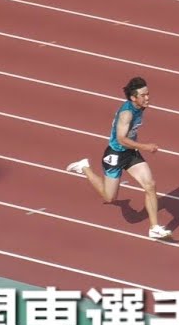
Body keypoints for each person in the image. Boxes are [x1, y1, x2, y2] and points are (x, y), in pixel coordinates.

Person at [64, 77, 172, 239]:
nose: (147, 98)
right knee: (110, 198)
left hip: (131, 153)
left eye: (148, 94)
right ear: (133, 98)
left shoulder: (140, 106)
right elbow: (121, 139)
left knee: (150, 185)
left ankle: (154, 228)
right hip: (115, 155)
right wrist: (145, 146)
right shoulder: (126, 114)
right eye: (143, 95)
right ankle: (84, 167)